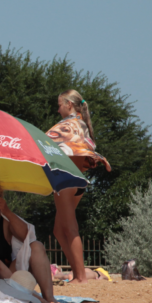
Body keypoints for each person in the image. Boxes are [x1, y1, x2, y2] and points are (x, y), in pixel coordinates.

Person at [47, 90, 110, 283]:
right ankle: (80, 273)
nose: (58, 110)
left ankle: (80, 276)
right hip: (77, 182)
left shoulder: (67, 126)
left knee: (70, 228)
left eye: (59, 105)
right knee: (59, 230)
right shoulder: (81, 125)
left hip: (66, 180)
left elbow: (45, 142)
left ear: (68, 104)